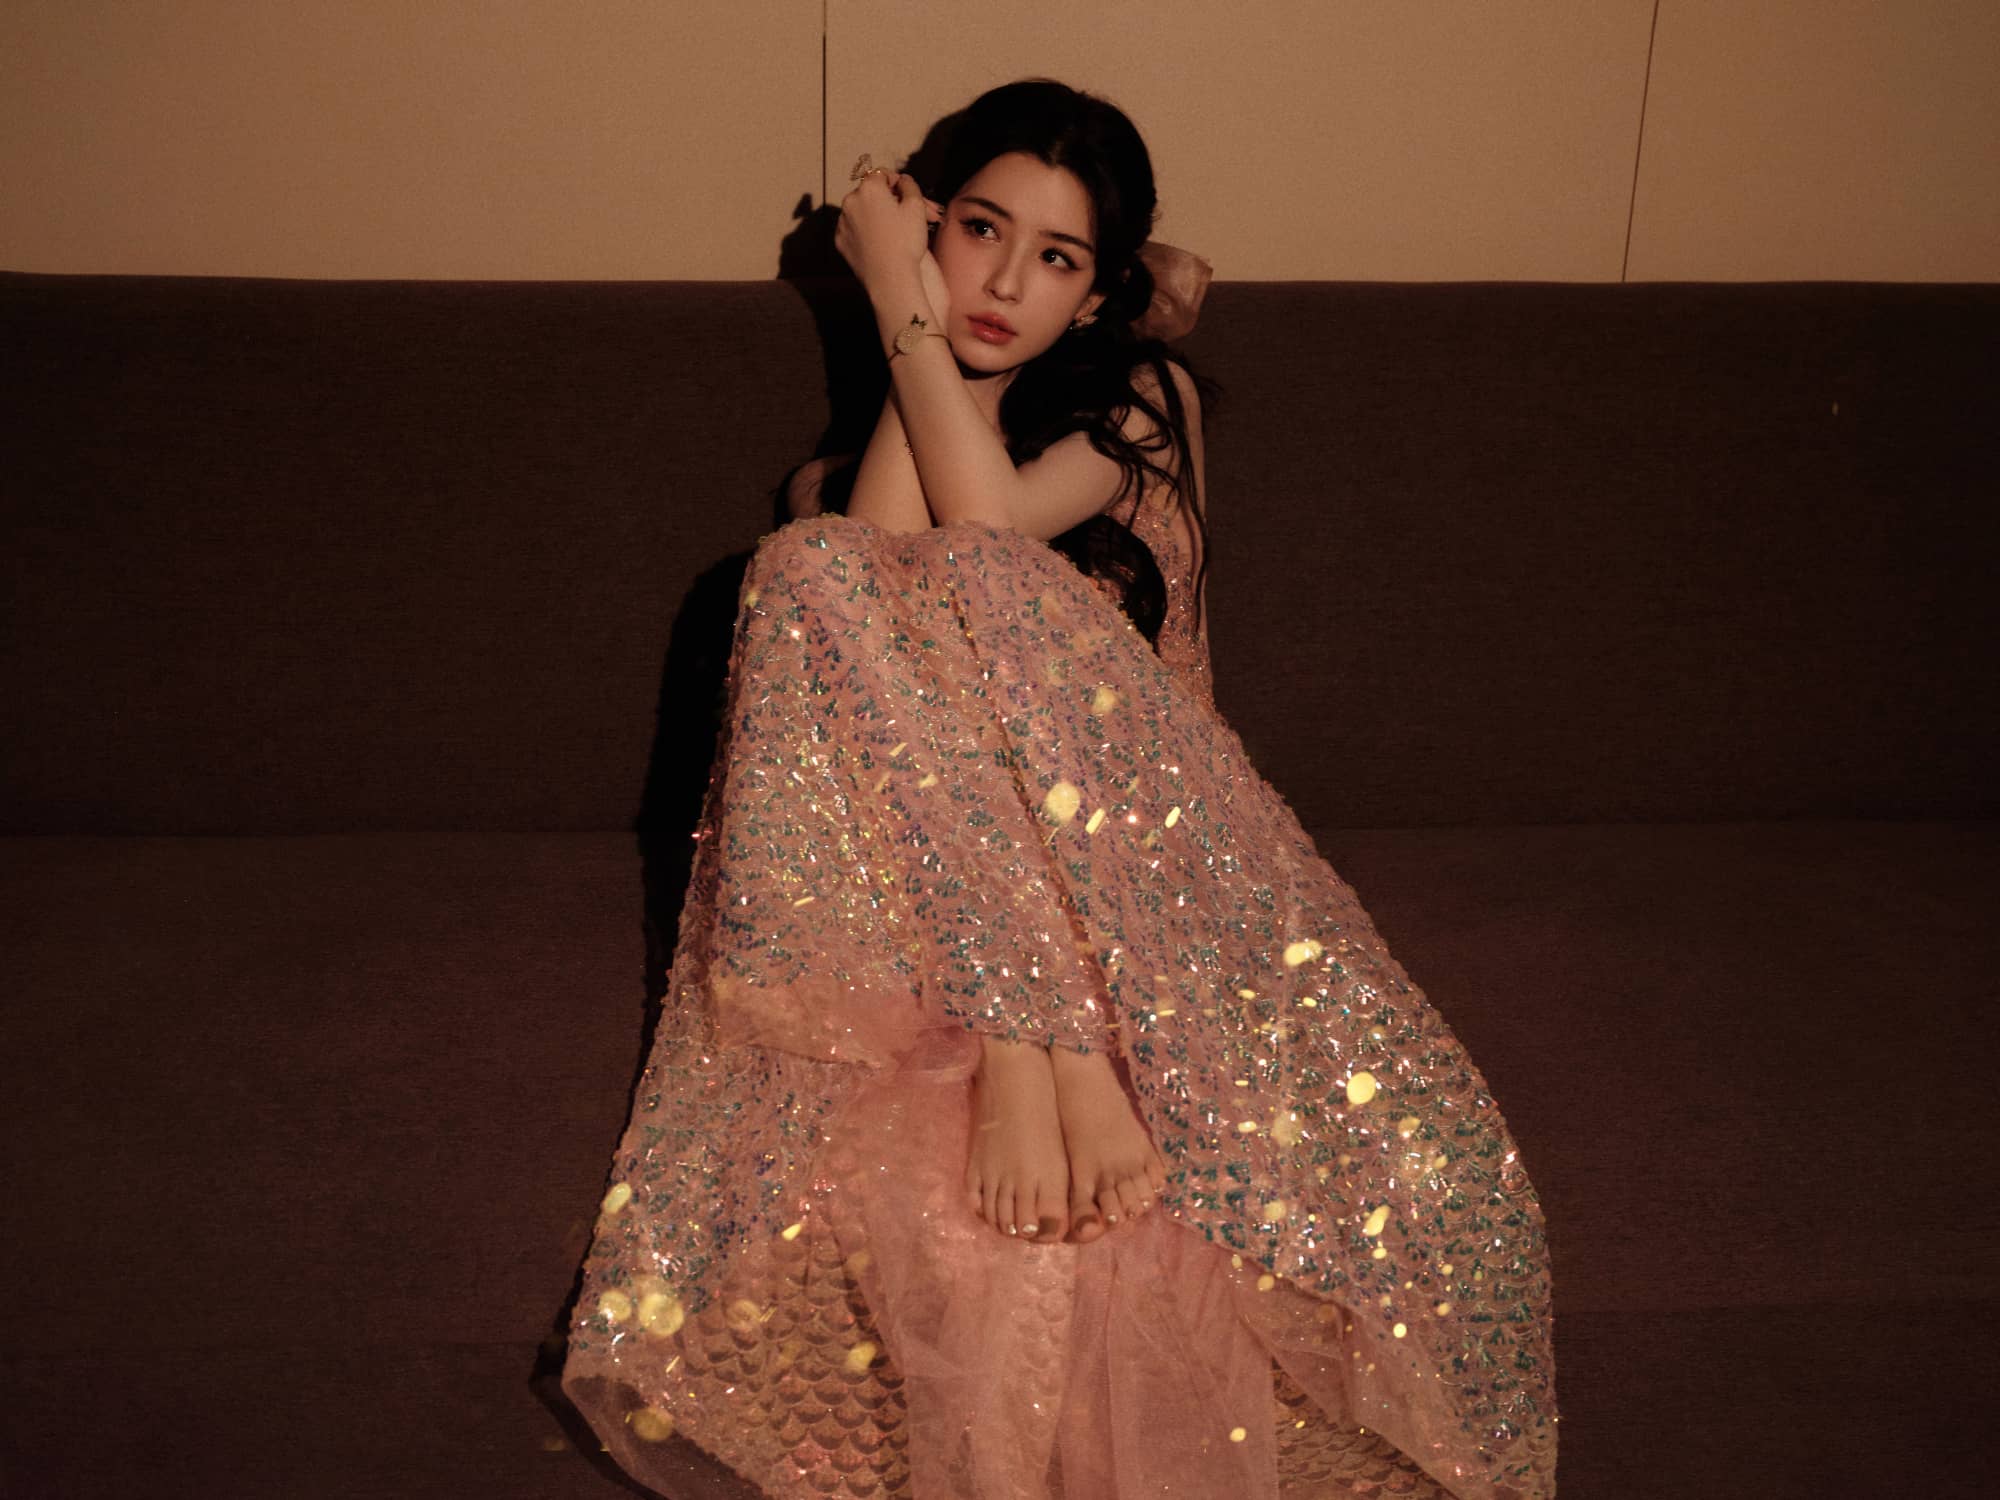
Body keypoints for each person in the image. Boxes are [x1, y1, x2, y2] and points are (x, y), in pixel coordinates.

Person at [562, 78, 1558, 1500]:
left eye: (1056, 258)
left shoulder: (1147, 404)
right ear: (930, 230)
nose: (1004, 283)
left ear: (1099, 297)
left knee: (945, 568)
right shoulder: (840, 471)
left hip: (1147, 861)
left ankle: (1054, 1038)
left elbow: (990, 530)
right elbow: (877, 586)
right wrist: (911, 325)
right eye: (978, 232)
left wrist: (900, 299)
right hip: (946, 901)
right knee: (815, 564)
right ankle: (1038, 1044)